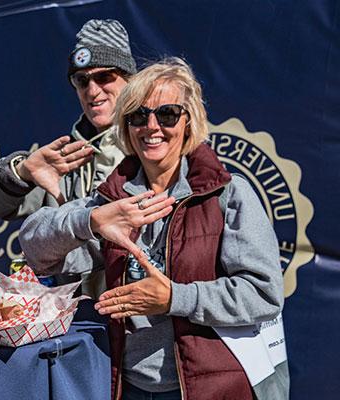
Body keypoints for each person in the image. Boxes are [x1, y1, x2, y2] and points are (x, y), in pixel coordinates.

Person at [19, 58, 288, 399]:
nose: (151, 126)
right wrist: (90, 221)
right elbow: (33, 247)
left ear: (188, 121)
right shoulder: (112, 198)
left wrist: (174, 298)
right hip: (127, 384)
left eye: (167, 114)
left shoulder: (227, 194)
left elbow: (263, 293)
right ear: (126, 127)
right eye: (137, 116)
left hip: (210, 386)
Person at [0, 19, 136, 293]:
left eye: (104, 77)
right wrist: (22, 172)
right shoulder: (66, 154)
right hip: (76, 319)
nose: (93, 90)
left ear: (130, 79)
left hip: (138, 321)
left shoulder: (153, 148)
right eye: (82, 80)